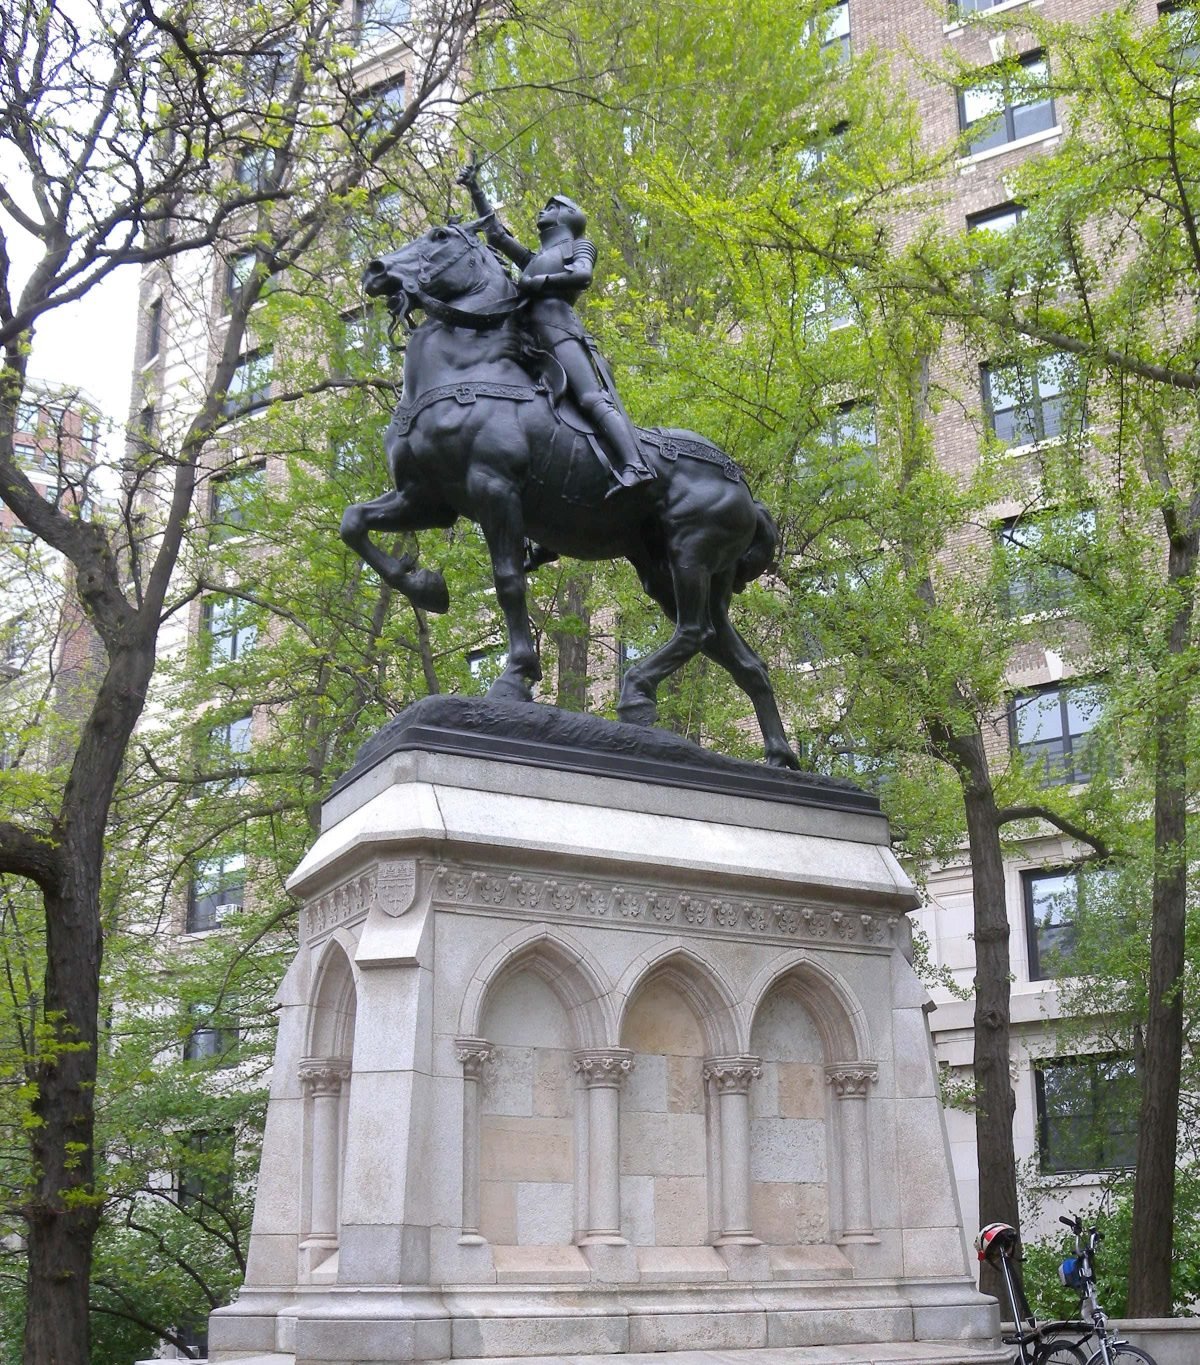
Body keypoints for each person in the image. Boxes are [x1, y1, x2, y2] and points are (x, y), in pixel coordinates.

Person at [457, 158, 654, 493]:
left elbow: (583, 275)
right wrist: (476, 188)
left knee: (591, 398)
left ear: (565, 214)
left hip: (560, 330)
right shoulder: (533, 259)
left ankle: (635, 465)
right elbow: (496, 234)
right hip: (527, 338)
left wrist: (541, 281)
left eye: (549, 207)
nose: (541, 212)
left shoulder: (579, 245)